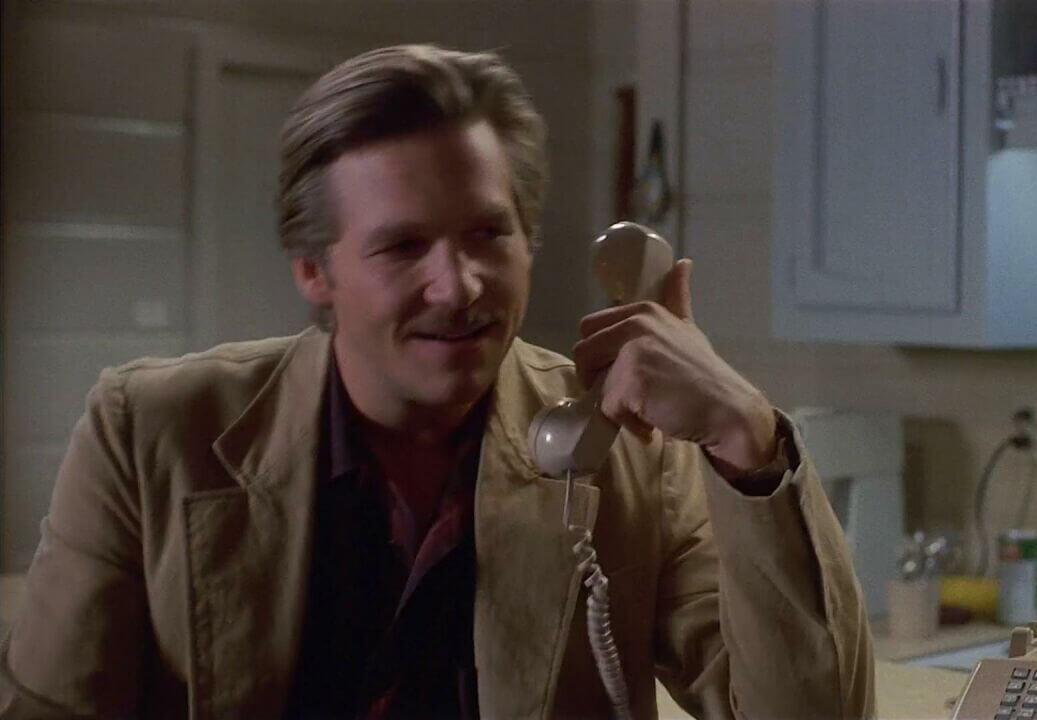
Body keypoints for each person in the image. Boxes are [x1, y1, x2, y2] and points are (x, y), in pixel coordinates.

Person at [0, 44, 874, 718]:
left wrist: (745, 438)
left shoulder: (627, 450)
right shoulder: (150, 432)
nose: (458, 287)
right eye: (403, 245)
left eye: (489, 234)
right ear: (313, 270)